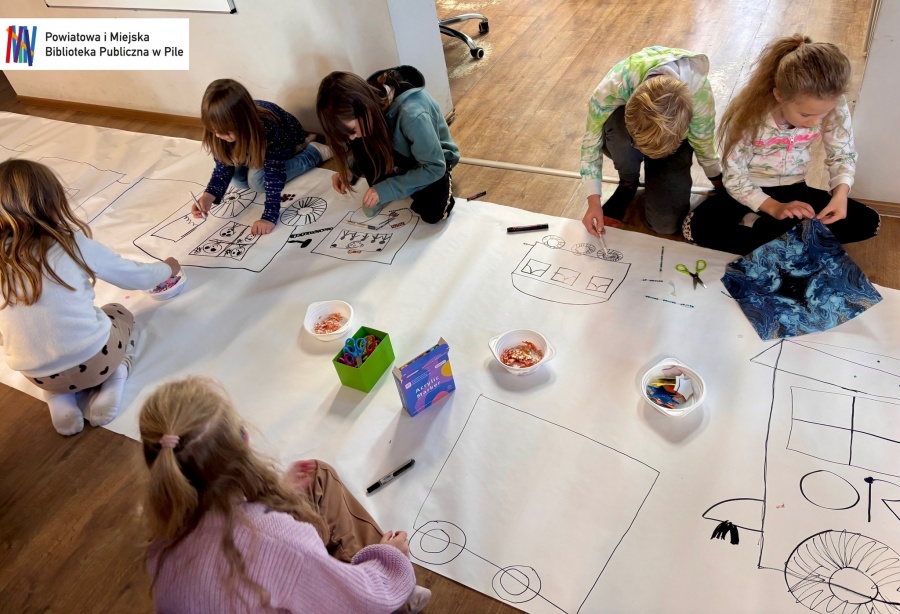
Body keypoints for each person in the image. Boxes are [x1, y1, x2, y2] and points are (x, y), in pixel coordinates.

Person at [140, 376, 431, 613]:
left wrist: (279, 496)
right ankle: (400, 598)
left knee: (317, 476)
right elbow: (362, 600)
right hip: (357, 595)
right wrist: (390, 559)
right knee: (382, 582)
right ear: (243, 443)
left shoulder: (164, 539)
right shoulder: (281, 543)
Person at [0, 159, 179, 436]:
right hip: (97, 361)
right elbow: (134, 276)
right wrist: (167, 268)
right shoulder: (70, 244)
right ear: (52, 202)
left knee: (44, 352)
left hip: (38, 376)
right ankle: (115, 379)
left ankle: (59, 400)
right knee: (119, 312)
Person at [683, 35, 881, 255]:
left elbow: (842, 154)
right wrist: (773, 207)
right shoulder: (751, 117)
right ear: (779, 95)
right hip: (749, 190)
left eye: (823, 113)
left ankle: (766, 231)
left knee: (868, 222)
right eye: (805, 114)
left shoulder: (834, 104)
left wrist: (840, 195)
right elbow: (735, 176)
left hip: (794, 187)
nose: (815, 122)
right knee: (696, 228)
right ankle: (780, 233)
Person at [580, 46, 723, 237]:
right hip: (625, 129)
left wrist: (717, 179)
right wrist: (593, 202)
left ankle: (661, 164)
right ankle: (628, 182)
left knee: (665, 224)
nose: (644, 151)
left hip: (674, 143)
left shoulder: (700, 97)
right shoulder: (614, 85)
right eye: (640, 145)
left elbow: (704, 142)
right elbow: (590, 142)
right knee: (616, 132)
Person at [316, 66, 460, 224]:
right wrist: (351, 170)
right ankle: (383, 187)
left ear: (364, 108)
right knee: (360, 136)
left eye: (352, 130)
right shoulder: (366, 106)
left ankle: (390, 187)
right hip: (399, 153)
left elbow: (434, 167)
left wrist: (389, 188)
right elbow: (365, 144)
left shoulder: (412, 114)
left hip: (433, 162)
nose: (351, 138)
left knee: (434, 212)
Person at [192, 79, 333, 236]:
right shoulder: (219, 131)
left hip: (288, 141)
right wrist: (208, 196)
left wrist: (269, 217)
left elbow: (274, 175)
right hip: (252, 148)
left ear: (242, 122)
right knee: (237, 180)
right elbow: (223, 167)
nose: (218, 135)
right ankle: (251, 158)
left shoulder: (266, 127)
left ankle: (313, 153)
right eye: (214, 130)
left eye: (226, 131)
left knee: (258, 182)